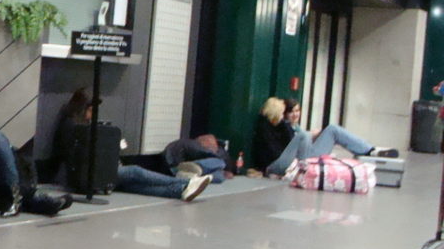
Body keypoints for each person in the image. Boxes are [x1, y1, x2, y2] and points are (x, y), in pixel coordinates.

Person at [51, 89, 212, 202]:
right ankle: (185, 183)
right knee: (135, 172)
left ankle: (180, 191)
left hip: (94, 170)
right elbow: (75, 156)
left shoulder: (79, 126)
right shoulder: (72, 127)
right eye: (91, 110)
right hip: (84, 173)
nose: (93, 115)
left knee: (136, 186)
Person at [255, 96, 399, 176]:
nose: (285, 117)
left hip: (297, 159)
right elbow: (279, 150)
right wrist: (307, 135)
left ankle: (370, 150)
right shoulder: (268, 127)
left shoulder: (288, 126)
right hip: (276, 164)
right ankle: (308, 168)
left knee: (332, 129)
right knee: (305, 135)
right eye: (284, 114)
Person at [162, 134, 231, 183]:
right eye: (213, 146)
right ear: (204, 142)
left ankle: (192, 177)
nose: (215, 149)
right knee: (220, 162)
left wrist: (223, 171)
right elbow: (214, 155)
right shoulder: (191, 144)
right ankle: (197, 166)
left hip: (183, 171)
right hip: (177, 167)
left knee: (220, 176)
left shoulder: (193, 147)